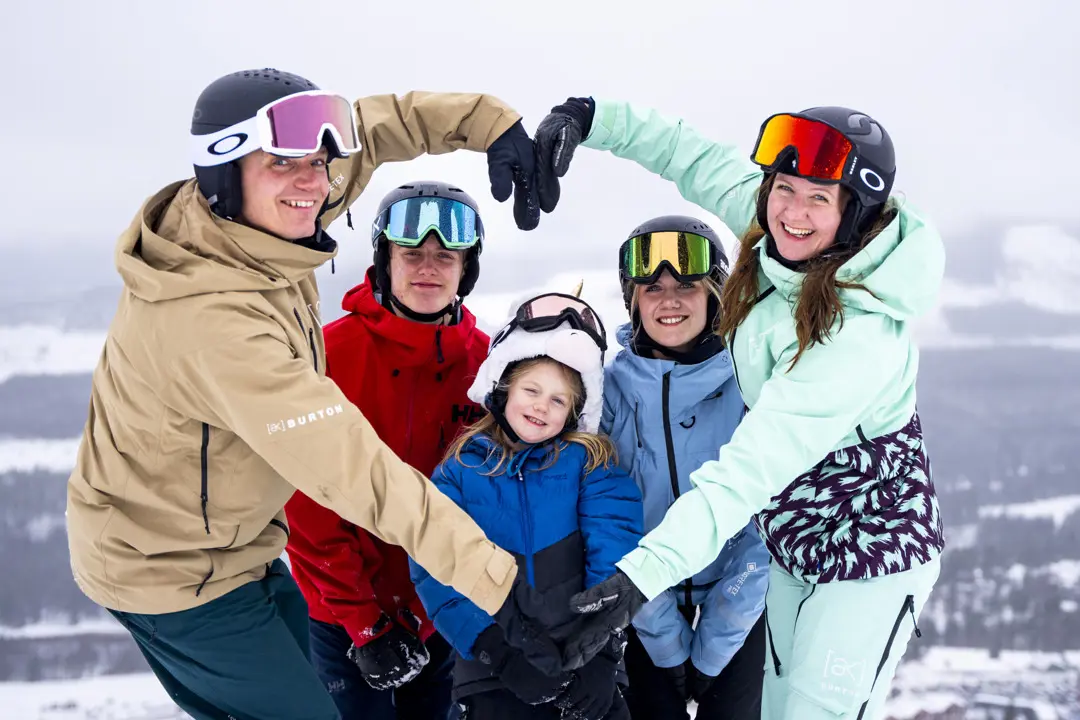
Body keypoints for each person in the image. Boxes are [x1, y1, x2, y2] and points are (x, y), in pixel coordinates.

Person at [64, 67, 552, 720]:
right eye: (286, 164)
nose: (316, 184)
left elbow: (380, 129)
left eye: (321, 164)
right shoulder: (214, 323)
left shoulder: (259, 212)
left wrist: (487, 121)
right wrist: (499, 590)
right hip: (171, 573)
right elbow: (351, 467)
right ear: (224, 169)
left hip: (244, 549)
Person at [535, 98, 946, 719]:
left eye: (818, 198)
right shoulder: (775, 239)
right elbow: (690, 156)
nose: (793, 211)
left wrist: (639, 579)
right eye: (784, 189)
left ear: (853, 211)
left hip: (869, 550)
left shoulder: (857, 337)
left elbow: (747, 473)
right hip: (792, 545)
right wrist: (591, 120)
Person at [284, 180, 492, 719]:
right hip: (345, 614)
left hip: (448, 610)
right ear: (385, 261)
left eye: (446, 256)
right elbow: (305, 501)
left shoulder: (487, 367)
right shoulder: (331, 355)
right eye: (411, 254)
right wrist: (364, 622)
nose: (428, 267)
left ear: (465, 270)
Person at [410, 293, 643, 720]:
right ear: (502, 386)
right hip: (494, 670)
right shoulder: (461, 470)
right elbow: (434, 563)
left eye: (558, 400)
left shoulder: (590, 464)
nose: (541, 405)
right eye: (531, 389)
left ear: (576, 412)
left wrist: (602, 651)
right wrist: (495, 651)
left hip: (583, 662)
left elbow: (616, 548)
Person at [601, 214, 768, 720]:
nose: (668, 300)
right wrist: (665, 641)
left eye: (686, 286)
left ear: (715, 293)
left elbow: (765, 522)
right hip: (641, 602)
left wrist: (717, 642)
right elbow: (611, 520)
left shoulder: (751, 381)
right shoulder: (608, 392)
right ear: (634, 301)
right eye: (652, 288)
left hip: (744, 602)